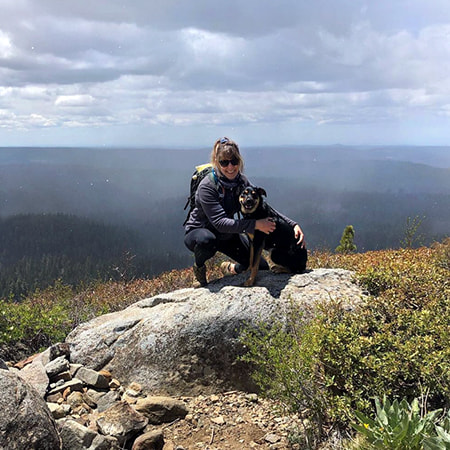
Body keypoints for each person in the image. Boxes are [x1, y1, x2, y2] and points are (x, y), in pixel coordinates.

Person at [184, 137, 306, 287]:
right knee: (206, 241)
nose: (230, 167)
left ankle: (232, 269)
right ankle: (199, 267)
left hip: (228, 232)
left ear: (239, 161)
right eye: (224, 162)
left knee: (261, 267)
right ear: (217, 162)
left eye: (234, 161)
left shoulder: (241, 181)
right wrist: (256, 224)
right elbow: (219, 222)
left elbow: (263, 205)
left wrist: (292, 224)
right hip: (201, 231)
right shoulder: (207, 186)